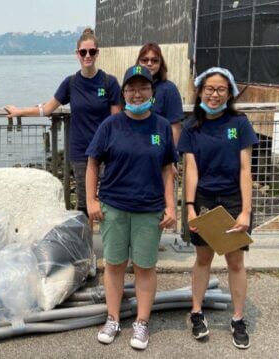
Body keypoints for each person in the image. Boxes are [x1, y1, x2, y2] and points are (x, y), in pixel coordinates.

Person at [86, 65, 177, 350]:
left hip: (149, 208)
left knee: (145, 267)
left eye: (143, 88)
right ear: (124, 92)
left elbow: (167, 169)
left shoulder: (161, 126)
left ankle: (141, 323)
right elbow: (92, 163)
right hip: (114, 206)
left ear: (152, 91)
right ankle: (112, 318)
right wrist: (91, 200)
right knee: (113, 265)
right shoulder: (110, 125)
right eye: (131, 88)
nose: (137, 94)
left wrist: (171, 206)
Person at [178, 67, 258, 349]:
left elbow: (246, 170)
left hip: (234, 199)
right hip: (204, 201)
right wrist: (189, 208)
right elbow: (191, 170)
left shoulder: (239, 123)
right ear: (200, 91)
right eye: (209, 89)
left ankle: (238, 318)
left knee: (235, 262)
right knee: (203, 259)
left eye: (220, 89)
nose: (214, 94)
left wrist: (245, 211)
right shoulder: (191, 127)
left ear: (230, 92)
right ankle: (197, 312)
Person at [4, 27, 121, 216]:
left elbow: (117, 122)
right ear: (77, 54)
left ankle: (109, 244)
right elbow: (48, 108)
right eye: (83, 52)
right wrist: (20, 111)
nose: (87, 56)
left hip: (106, 151)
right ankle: (86, 245)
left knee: (108, 200)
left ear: (97, 53)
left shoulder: (109, 82)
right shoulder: (71, 83)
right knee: (84, 204)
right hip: (80, 150)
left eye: (92, 51)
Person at [135, 42, 184, 145]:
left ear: (160, 63)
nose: (149, 63)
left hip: (158, 148)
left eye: (154, 60)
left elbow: (175, 127)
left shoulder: (169, 89)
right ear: (138, 62)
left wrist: (172, 155)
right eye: (144, 60)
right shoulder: (130, 87)